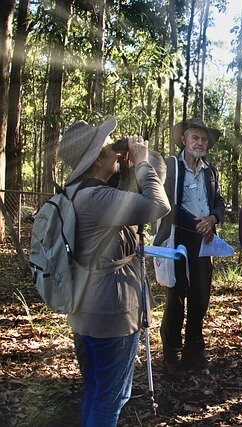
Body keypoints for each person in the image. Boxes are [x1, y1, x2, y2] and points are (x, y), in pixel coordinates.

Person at [58, 117, 170, 426]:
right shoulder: (97, 198)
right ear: (96, 159)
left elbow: (123, 215)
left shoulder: (78, 191)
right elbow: (158, 205)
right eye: (107, 146)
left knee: (96, 390)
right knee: (111, 399)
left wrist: (127, 170)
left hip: (85, 309)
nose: (114, 148)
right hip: (111, 313)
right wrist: (144, 163)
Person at [154, 118, 226, 378]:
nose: (200, 143)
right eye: (195, 138)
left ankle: (194, 350)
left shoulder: (210, 171)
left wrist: (213, 219)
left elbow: (219, 201)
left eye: (204, 139)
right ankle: (171, 355)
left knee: (200, 297)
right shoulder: (171, 166)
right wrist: (196, 223)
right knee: (176, 297)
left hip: (204, 241)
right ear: (184, 140)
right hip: (178, 238)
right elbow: (165, 203)